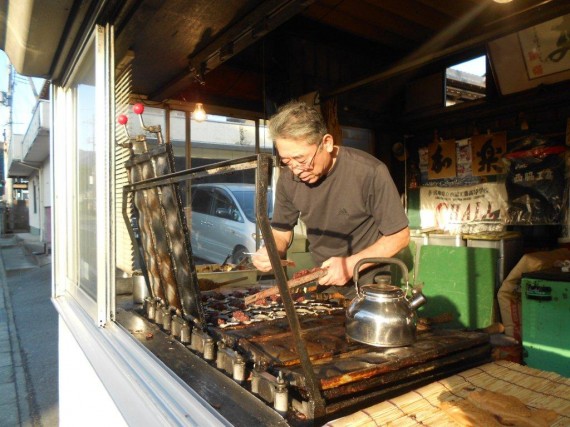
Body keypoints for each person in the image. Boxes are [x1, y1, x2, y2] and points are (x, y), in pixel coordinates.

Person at [252, 100, 410, 287]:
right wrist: (271, 251)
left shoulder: (369, 172)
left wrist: (351, 265)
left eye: (301, 159)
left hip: (368, 282)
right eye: (287, 161)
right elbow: (281, 232)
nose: (296, 169)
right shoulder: (288, 180)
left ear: (326, 143)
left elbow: (399, 236)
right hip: (322, 277)